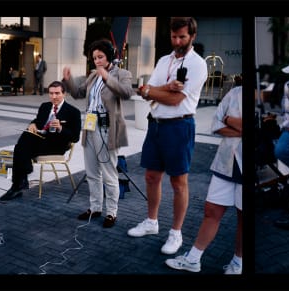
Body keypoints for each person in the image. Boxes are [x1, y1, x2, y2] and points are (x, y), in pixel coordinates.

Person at [128, 17, 207, 255]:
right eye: (174, 36)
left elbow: (174, 99)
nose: (177, 41)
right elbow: (145, 92)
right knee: (151, 177)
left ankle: (176, 233)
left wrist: (155, 91)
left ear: (192, 36)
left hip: (179, 127)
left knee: (178, 182)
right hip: (156, 125)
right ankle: (152, 222)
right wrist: (160, 89)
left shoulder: (198, 64)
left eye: (182, 37)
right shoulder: (164, 60)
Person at [165, 86, 243, 275]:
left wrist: (229, 121)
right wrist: (232, 123)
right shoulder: (234, 93)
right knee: (211, 211)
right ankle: (193, 259)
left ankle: (238, 262)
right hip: (226, 161)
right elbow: (216, 124)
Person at [63, 39, 135, 228]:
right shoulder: (93, 75)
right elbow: (78, 93)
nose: (97, 61)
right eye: (94, 58)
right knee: (92, 173)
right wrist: (68, 79)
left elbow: (127, 93)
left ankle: (111, 212)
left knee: (109, 173)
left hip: (107, 128)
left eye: (100, 57)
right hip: (90, 126)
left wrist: (107, 78)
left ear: (109, 56)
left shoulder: (122, 74)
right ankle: (95, 208)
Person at [0, 81, 81, 201]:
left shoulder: (73, 112)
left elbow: (75, 137)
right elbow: (37, 121)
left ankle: (18, 184)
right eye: (51, 93)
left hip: (57, 145)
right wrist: (32, 124)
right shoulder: (45, 106)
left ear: (64, 94)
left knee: (21, 147)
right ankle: (20, 180)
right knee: (26, 137)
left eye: (57, 93)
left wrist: (61, 128)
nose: (54, 97)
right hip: (41, 140)